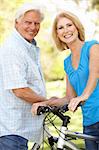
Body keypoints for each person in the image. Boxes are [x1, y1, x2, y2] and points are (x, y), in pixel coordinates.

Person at [31, 11, 99, 150]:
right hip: (89, 123)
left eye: (69, 25)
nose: (66, 30)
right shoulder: (67, 63)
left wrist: (84, 95)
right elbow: (69, 97)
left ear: (77, 27)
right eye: (60, 28)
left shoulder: (93, 47)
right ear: (57, 35)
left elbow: (95, 73)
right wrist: (45, 103)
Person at [0, 2, 49, 150]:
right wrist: (48, 102)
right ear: (17, 23)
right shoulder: (13, 49)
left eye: (37, 23)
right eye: (28, 22)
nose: (33, 27)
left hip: (24, 128)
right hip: (13, 130)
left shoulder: (28, 47)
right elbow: (19, 89)